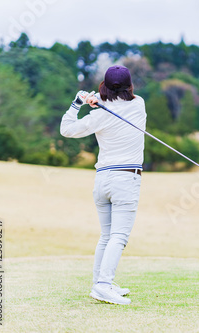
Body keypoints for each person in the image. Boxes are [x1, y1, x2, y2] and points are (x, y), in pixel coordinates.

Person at [60, 65, 146, 305]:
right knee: (118, 236)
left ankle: (101, 282)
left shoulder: (98, 114)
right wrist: (95, 100)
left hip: (102, 181)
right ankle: (102, 285)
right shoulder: (139, 105)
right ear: (130, 86)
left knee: (107, 235)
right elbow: (117, 98)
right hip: (125, 180)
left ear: (104, 86)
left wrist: (79, 101)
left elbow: (66, 129)